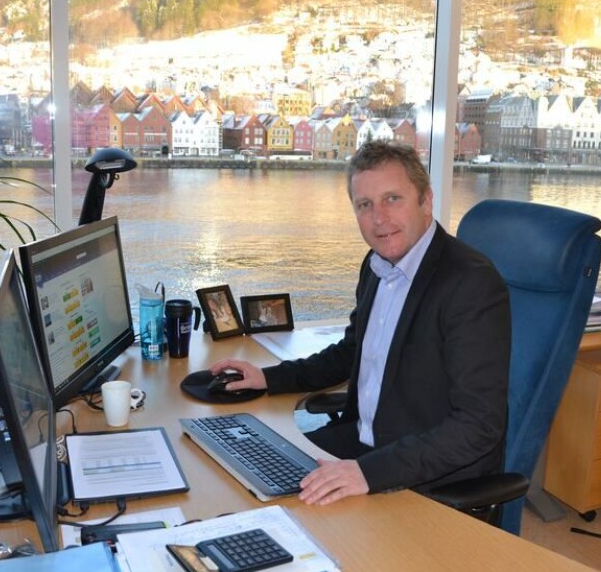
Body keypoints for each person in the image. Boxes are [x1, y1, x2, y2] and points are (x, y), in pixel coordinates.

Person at [211, 140, 511, 506]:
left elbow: (479, 425)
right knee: (244, 476)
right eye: (364, 205)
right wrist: (269, 377)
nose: (379, 218)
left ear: (426, 200)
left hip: (423, 474)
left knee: (289, 511)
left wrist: (368, 473)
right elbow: (351, 351)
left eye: (392, 199)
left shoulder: (470, 283)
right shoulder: (378, 264)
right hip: (363, 443)